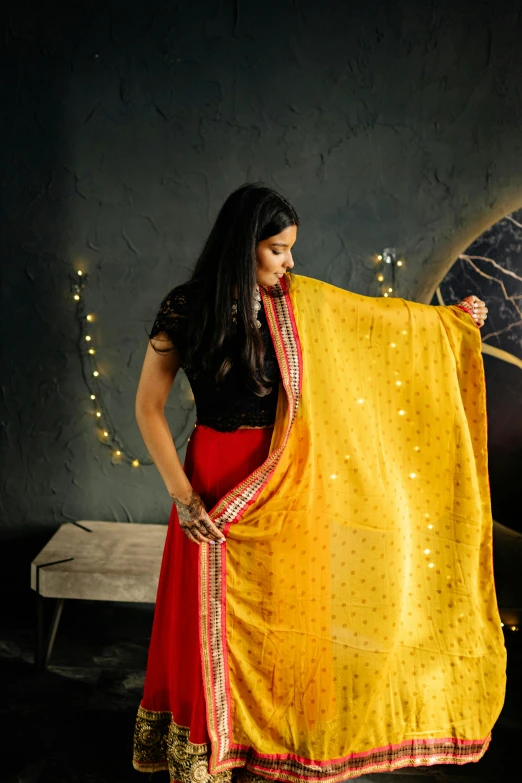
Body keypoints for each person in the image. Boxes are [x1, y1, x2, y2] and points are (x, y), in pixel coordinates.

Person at [132, 182, 505, 782]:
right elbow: (149, 406)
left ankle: (271, 747)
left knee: (286, 613)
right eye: (278, 249)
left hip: (286, 478)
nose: (290, 262)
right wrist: (183, 496)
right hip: (212, 478)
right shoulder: (185, 307)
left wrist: (449, 325)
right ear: (243, 245)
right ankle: (208, 751)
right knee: (210, 617)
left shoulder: (297, 305)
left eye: (290, 249)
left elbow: (375, 330)